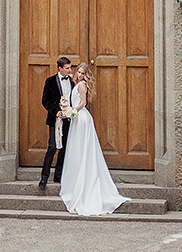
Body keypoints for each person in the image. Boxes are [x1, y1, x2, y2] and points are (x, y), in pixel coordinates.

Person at [59, 61, 130, 216]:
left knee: (83, 149)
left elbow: (83, 103)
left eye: (83, 73)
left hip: (81, 118)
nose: (79, 75)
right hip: (77, 118)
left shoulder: (82, 85)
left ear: (86, 75)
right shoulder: (76, 82)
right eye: (78, 72)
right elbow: (69, 77)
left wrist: (72, 110)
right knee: (76, 149)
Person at [38, 55, 73, 190]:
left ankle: (58, 176)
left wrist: (70, 111)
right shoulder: (50, 81)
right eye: (67, 68)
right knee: (52, 147)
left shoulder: (71, 81)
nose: (70, 70)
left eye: (70, 68)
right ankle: (44, 177)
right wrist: (56, 111)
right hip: (55, 119)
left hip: (68, 119)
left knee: (64, 148)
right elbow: (45, 101)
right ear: (60, 68)